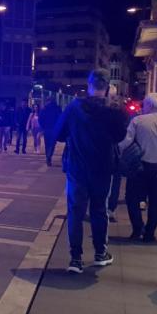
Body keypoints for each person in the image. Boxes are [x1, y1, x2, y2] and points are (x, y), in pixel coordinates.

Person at [54, 68, 128, 274]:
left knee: (75, 212)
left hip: (77, 168)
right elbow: (120, 137)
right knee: (99, 210)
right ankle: (100, 253)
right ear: (107, 88)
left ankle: (75, 258)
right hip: (103, 168)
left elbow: (59, 133)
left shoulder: (74, 108)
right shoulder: (113, 111)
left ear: (89, 85)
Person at [119, 93, 157, 242]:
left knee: (132, 198)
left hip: (140, 166)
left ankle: (137, 228)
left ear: (149, 105)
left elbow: (125, 142)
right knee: (156, 201)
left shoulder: (138, 121)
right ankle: (149, 233)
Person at [39, 99, 62, 166]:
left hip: (47, 128)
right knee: (52, 144)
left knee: (47, 144)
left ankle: (48, 156)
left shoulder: (44, 108)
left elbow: (40, 118)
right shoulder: (57, 108)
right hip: (54, 129)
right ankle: (49, 156)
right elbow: (60, 118)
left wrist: (42, 126)